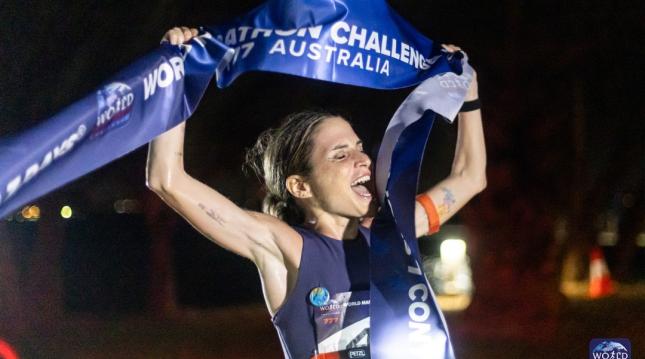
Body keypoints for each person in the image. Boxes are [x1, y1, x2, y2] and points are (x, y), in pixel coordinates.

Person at [147, 27, 486, 359]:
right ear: (300, 186)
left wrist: (467, 91)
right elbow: (167, 179)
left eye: (359, 147)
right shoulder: (285, 248)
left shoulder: (391, 235)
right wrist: (176, 81)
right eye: (340, 154)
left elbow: (470, 177)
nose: (364, 160)